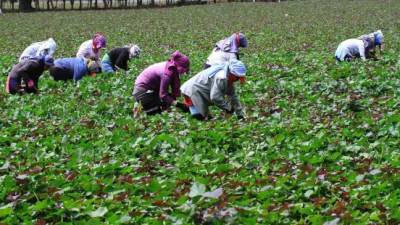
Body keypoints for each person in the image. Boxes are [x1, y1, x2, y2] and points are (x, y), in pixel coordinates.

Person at [180, 59, 246, 120]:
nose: (238, 80)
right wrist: (228, 108)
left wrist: (240, 115)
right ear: (232, 73)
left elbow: (233, 96)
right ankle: (187, 107)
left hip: (200, 91)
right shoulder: (221, 77)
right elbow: (215, 97)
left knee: (208, 118)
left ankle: (189, 107)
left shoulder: (228, 76)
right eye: (237, 77)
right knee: (200, 117)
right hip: (193, 90)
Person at [132, 51, 190, 115]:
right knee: (155, 113)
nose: (183, 72)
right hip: (142, 90)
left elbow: (169, 95)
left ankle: (141, 105)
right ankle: (140, 105)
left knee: (168, 99)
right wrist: (179, 105)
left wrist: (174, 102)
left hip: (150, 89)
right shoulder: (167, 74)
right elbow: (163, 95)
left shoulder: (171, 65)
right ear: (179, 66)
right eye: (184, 70)